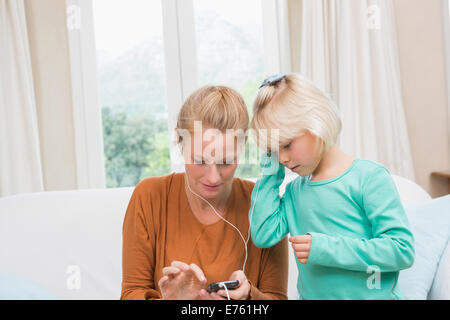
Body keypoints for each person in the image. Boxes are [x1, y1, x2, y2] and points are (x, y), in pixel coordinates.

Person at [249, 73, 415, 299]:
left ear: (317, 122)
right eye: (273, 151)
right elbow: (263, 234)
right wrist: (270, 173)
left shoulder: (369, 178)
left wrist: (325, 249)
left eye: (286, 145)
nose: (283, 159)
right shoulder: (294, 192)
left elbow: (401, 250)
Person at [120, 85, 288, 300]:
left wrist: (248, 298)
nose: (213, 177)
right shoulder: (150, 196)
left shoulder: (264, 205)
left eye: (226, 162)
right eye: (200, 161)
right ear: (180, 143)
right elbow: (130, 293)